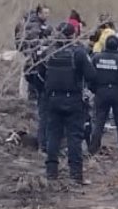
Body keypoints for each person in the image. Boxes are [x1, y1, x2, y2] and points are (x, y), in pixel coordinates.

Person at [41, 22, 97, 184]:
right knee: (74, 137)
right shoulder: (78, 53)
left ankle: (51, 174)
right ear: (73, 35)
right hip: (73, 99)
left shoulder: (49, 52)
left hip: (52, 99)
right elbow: (92, 75)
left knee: (52, 136)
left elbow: (37, 73)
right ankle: (75, 175)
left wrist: (45, 90)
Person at [89, 35, 118, 154]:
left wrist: (95, 89)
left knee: (99, 121)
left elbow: (90, 76)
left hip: (101, 92)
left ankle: (93, 149)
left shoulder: (96, 58)